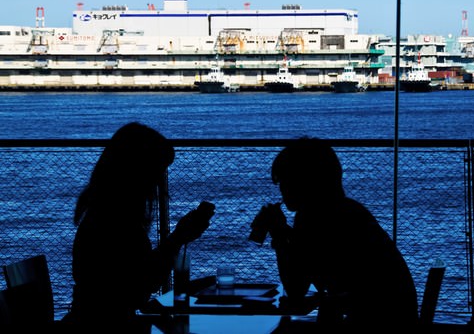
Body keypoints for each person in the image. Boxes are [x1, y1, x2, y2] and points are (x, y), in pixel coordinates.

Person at [254, 137, 418, 332]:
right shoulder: (345, 211)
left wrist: (280, 234)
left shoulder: (314, 217)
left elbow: (296, 289)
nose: (282, 190)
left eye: (286, 182)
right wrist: (285, 233)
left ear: (305, 182)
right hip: (396, 318)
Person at [62, 122, 214, 329]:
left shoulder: (104, 212)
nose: (159, 182)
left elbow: (136, 282)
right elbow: (139, 288)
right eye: (156, 171)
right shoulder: (116, 220)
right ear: (137, 170)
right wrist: (177, 239)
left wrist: (178, 238)